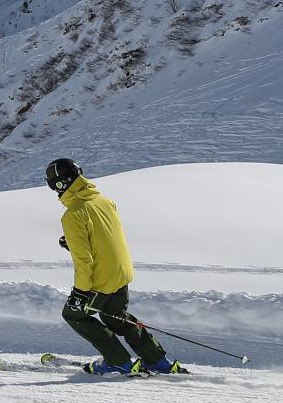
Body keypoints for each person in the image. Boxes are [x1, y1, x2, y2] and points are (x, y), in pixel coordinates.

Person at [47, 158, 184, 375]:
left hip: (101, 281)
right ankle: (158, 360)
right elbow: (105, 236)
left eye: (53, 185)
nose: (54, 191)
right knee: (115, 317)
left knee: (74, 315)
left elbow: (84, 261)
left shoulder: (73, 213)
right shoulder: (104, 201)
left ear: (62, 184)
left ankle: (119, 361)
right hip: (121, 272)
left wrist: (80, 292)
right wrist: (73, 242)